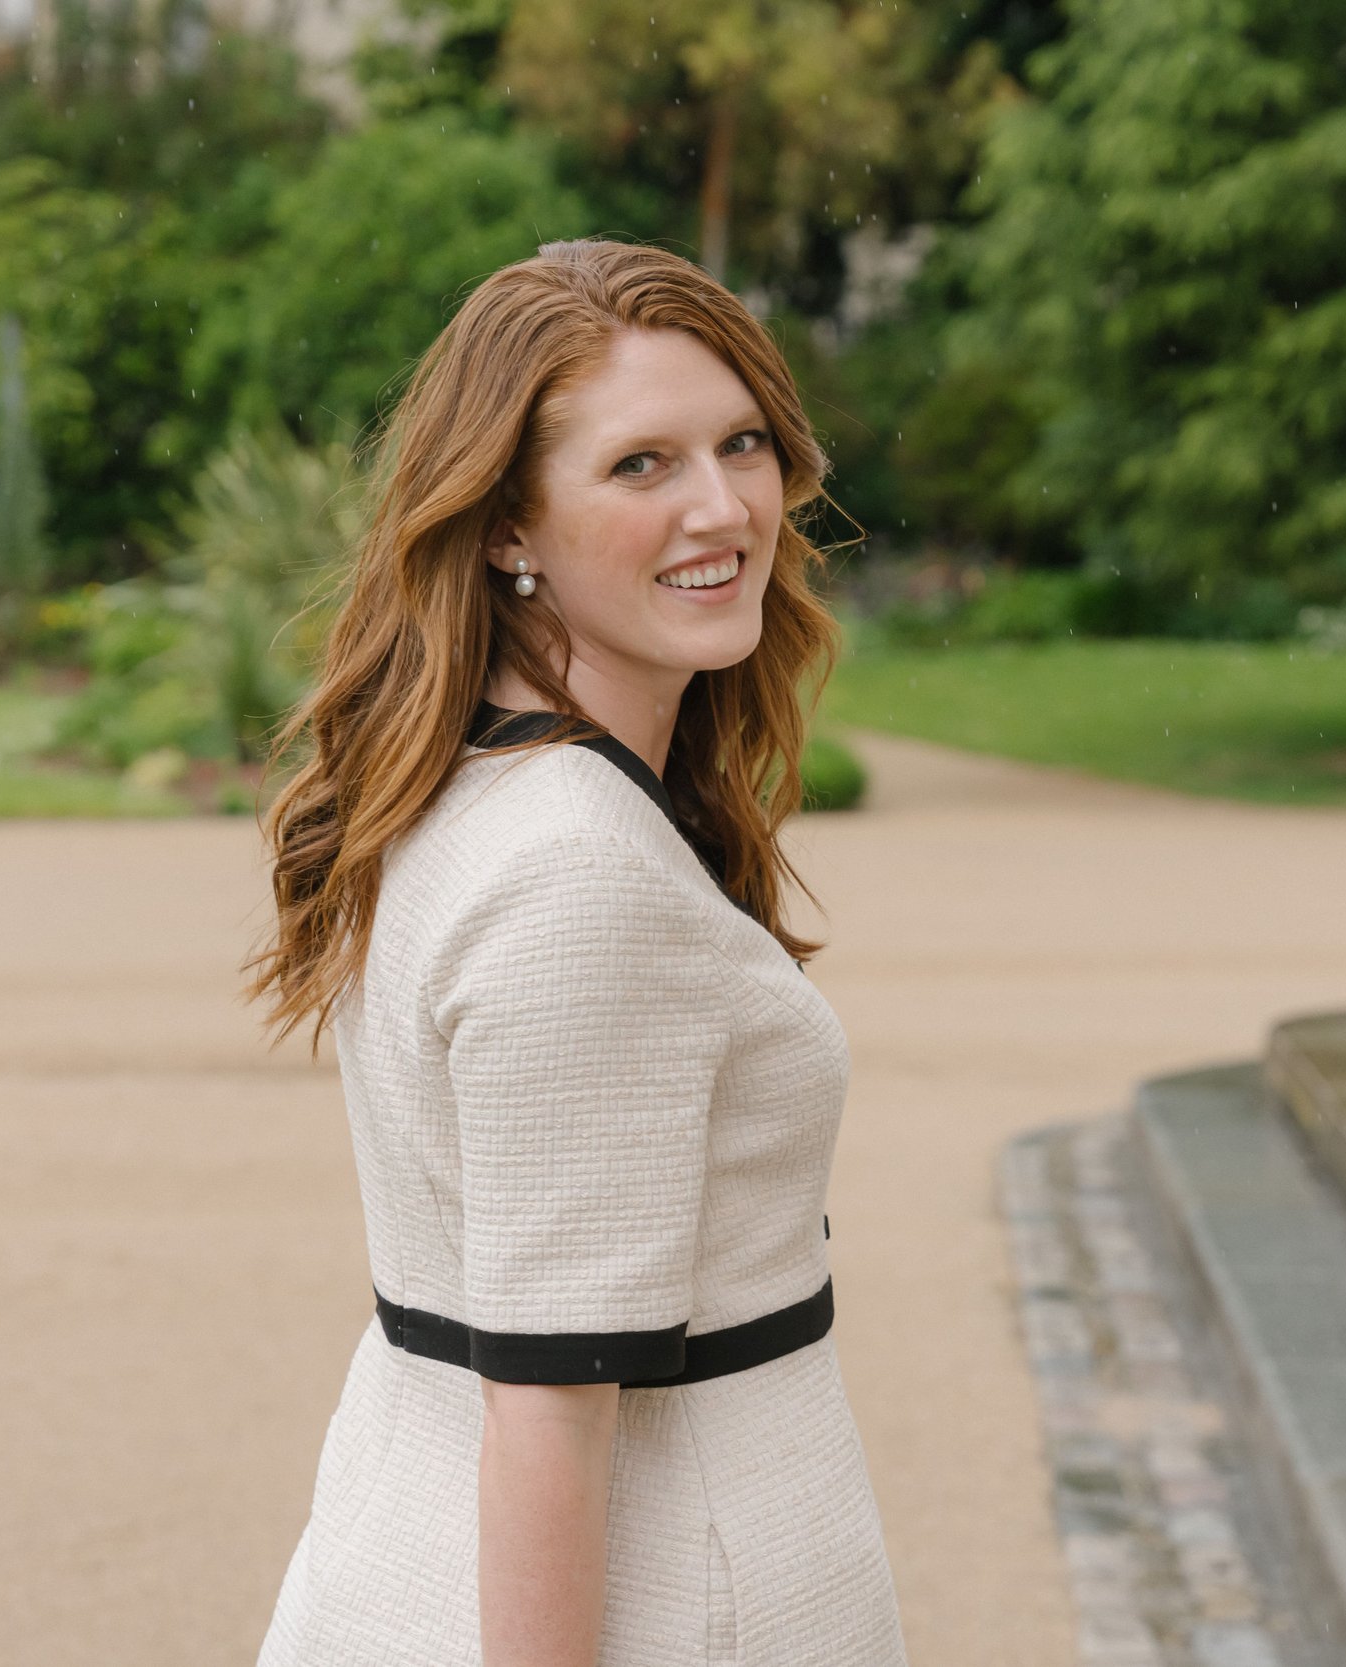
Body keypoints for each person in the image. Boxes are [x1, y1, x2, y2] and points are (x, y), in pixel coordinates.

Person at [244, 239, 907, 1667]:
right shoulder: (576, 877)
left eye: (742, 445)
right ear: (507, 529)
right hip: (674, 1597)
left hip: (418, 1535)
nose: (724, 507)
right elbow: (549, 1409)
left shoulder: (486, 791)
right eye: (640, 466)